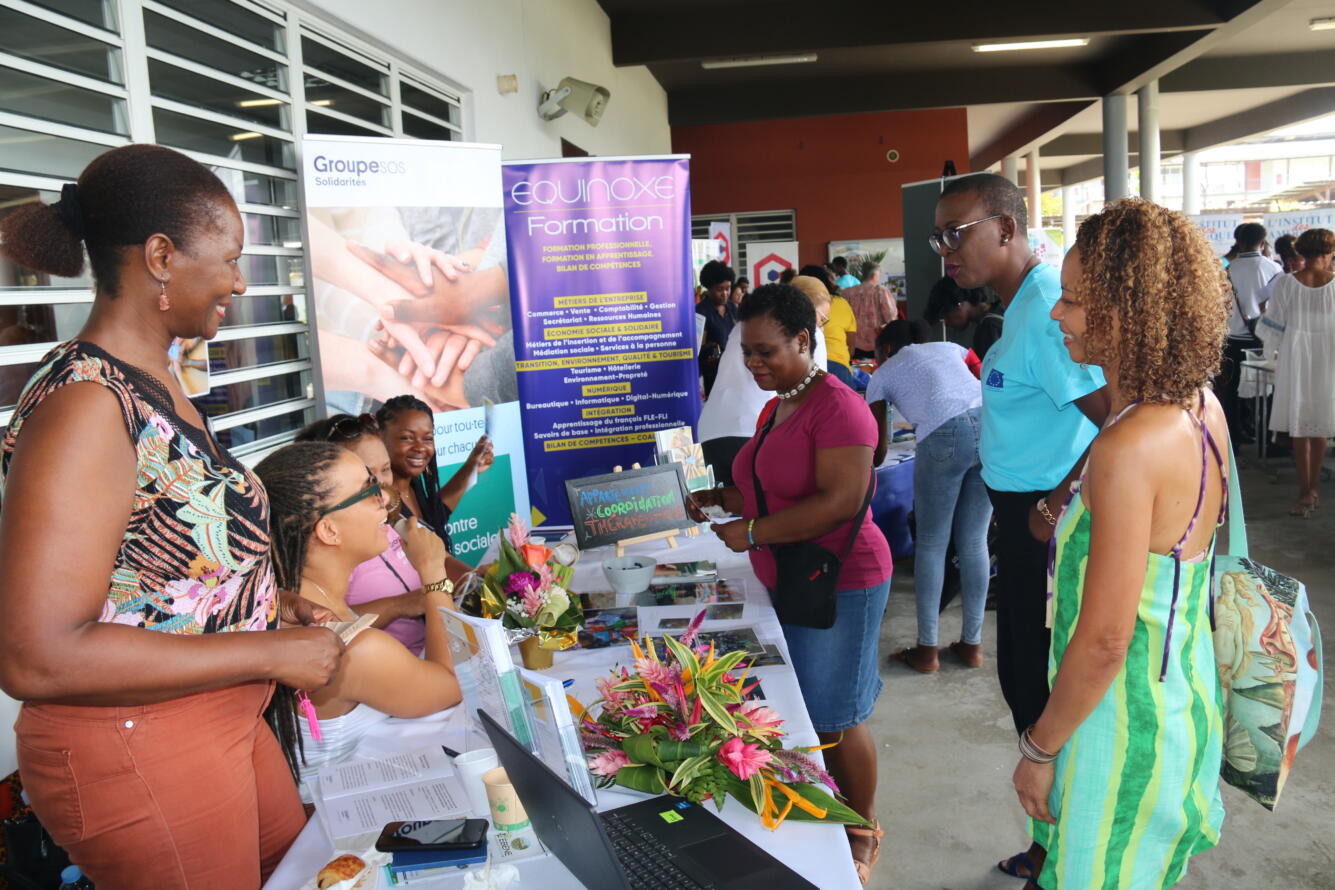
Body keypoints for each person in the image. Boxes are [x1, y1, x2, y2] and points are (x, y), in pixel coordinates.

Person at [0, 144, 344, 889]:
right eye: (230, 259)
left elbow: (157, 570)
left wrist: (262, 602)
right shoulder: (87, 405)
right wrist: (267, 651)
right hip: (135, 744)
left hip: (211, 718)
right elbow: (37, 655)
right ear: (160, 257)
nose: (239, 282)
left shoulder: (154, 379)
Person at [1013, 198, 1229, 890]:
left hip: (1119, 723)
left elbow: (1107, 639)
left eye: (1075, 301)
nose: (1058, 313)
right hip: (1179, 701)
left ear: (1131, 312)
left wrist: (1038, 748)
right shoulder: (1199, 406)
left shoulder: (1131, 446)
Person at [932, 172, 1108, 881]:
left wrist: (1054, 503)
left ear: (1006, 228)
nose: (945, 250)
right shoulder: (1025, 307)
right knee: (1023, 681)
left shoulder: (1043, 312)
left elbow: (1118, 421)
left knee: (1037, 688)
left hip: (1042, 521)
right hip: (1020, 515)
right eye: (938, 237)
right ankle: (1049, 844)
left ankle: (1061, 852)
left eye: (956, 232)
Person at [686, 284, 892, 884]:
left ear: (804, 341)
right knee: (806, 709)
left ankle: (862, 829)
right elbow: (771, 485)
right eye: (745, 352)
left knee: (836, 715)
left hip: (841, 579)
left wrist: (752, 531)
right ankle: (824, 814)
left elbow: (841, 500)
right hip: (793, 575)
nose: (753, 363)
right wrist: (721, 498)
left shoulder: (839, 407)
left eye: (765, 352)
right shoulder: (780, 404)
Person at [255, 442, 462, 802]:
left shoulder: (296, 604)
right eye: (368, 490)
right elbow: (452, 684)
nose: (387, 498)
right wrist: (433, 572)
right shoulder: (354, 650)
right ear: (329, 531)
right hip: (342, 821)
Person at [866, 321, 990, 674]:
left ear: (886, 349)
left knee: (932, 543)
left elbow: (878, 449)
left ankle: (927, 651)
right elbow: (980, 371)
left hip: (942, 433)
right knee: (974, 540)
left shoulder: (883, 373)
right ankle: (972, 646)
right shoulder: (951, 348)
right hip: (990, 426)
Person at [295, 413, 474, 654]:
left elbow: (439, 558)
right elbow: (328, 628)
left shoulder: (391, 519)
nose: (380, 484)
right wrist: (403, 604)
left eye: (386, 468)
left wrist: (476, 581)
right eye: (367, 476)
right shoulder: (329, 547)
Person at [699, 282, 829, 487]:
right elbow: (815, 392)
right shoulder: (807, 333)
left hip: (711, 431)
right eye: (822, 318)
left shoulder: (745, 325)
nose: (822, 325)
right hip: (754, 433)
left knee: (728, 504)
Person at [1260, 227, 1335, 517]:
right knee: (1321, 425)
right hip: (1328, 356)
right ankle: (1313, 489)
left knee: (1299, 426)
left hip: (1296, 357)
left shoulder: (1287, 284)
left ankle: (1304, 492)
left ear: (1300, 253)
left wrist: (1271, 353)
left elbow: (1273, 326)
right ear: (1329, 253)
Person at [375, 395, 493, 551]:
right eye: (407, 438)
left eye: (427, 439)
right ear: (380, 437)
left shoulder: (413, 485)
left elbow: (437, 514)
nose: (420, 448)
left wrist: (472, 465)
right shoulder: (379, 503)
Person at [1218, 222, 1279, 445]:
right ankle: (1266, 439)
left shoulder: (1226, 270)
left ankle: (1233, 438)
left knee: (1232, 390)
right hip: (1262, 339)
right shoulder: (1273, 269)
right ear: (1262, 242)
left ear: (1238, 242)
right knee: (1267, 390)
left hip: (1231, 339)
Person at [801, 264, 858, 386]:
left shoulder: (794, 305)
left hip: (803, 367)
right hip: (839, 366)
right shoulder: (841, 303)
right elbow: (851, 345)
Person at [925, 276, 1005, 360]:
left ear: (959, 304)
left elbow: (992, 368)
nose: (946, 324)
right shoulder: (1002, 308)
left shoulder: (988, 328)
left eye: (945, 317)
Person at [843, 261, 899, 359]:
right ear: (874, 275)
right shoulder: (881, 291)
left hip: (853, 344)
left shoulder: (847, 293)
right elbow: (890, 316)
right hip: (877, 344)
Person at [697, 259, 737, 398]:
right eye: (720, 289)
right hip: (713, 375)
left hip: (734, 370)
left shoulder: (732, 308)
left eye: (728, 288)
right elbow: (698, 348)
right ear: (709, 288)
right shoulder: (701, 312)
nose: (725, 293)